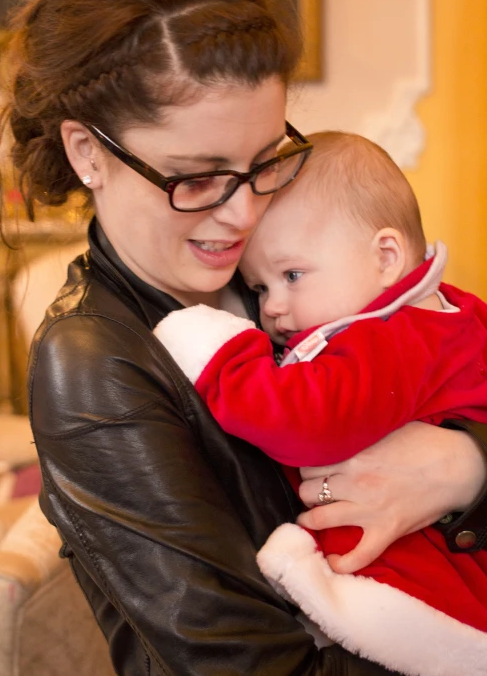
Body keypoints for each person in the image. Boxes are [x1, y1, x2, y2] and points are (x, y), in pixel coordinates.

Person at [0, 0, 487, 676]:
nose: (241, 211)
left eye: (263, 163)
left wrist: (466, 464)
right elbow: (248, 665)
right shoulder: (91, 368)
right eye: (196, 178)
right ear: (88, 154)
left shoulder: (287, 273)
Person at [153, 131, 487, 676]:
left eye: (292, 275)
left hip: (438, 599)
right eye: (258, 289)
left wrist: (221, 356)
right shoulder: (455, 310)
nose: (274, 309)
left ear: (385, 256)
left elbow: (305, 422)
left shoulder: (396, 339)